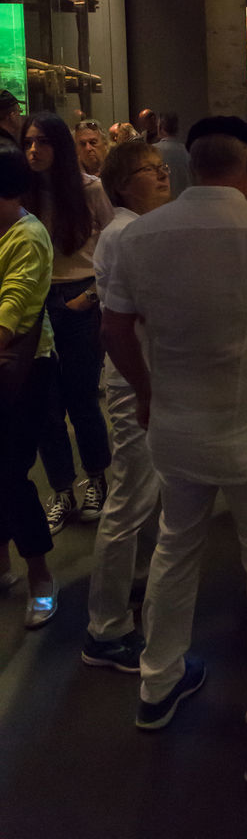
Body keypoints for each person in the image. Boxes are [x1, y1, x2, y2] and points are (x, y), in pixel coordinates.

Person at [100, 116, 247, 786]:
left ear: (186, 170)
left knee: (176, 547)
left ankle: (157, 684)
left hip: (174, 424)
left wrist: (147, 393)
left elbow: (114, 325)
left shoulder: (140, 235)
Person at [81, 140, 172, 672]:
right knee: (128, 503)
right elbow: (118, 325)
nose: (163, 176)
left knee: (142, 500)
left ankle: (131, 594)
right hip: (136, 382)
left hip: (142, 379)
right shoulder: (125, 233)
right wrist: (144, 391)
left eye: (163, 169)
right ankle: (106, 628)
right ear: (120, 185)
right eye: (150, 171)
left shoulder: (132, 231)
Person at [23, 112, 113, 534]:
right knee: (45, 406)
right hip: (36, 302)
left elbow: (115, 247)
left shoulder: (89, 189)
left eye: (42, 142)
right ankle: (61, 489)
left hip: (78, 298)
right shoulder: (22, 193)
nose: (34, 150)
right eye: (28, 142)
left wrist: (91, 297)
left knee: (81, 400)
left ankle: (96, 479)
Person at [0, 144, 59, 629]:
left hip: (24, 371)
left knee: (10, 474)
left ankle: (40, 575)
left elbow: (11, 313)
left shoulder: (29, 236)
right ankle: (3, 565)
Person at [153, 111, 191, 198]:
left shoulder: (152, 151)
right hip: (185, 199)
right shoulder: (187, 151)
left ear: (160, 127)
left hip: (162, 200)